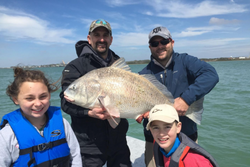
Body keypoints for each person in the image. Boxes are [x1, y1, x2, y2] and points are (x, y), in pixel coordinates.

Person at [139, 26, 219, 167]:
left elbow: (211, 75)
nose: (160, 46)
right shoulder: (143, 74)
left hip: (186, 136)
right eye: (155, 43)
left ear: (172, 42)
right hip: (154, 140)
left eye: (164, 41)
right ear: (150, 47)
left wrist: (185, 99)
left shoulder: (185, 61)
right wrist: (139, 112)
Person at [60, 19, 132, 167]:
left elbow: (130, 95)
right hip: (88, 144)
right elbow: (65, 101)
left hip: (118, 140)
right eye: (97, 35)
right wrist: (89, 113)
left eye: (105, 35)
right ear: (89, 38)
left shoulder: (118, 63)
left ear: (111, 40)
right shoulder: (75, 66)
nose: (101, 39)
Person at [0, 67, 82, 167]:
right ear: (15, 99)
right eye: (29, 98)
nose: (38, 103)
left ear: (49, 95)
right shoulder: (6, 135)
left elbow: (75, 156)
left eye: (43, 96)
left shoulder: (63, 123)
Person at [146, 104, 219, 167]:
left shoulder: (194, 160)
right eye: (156, 127)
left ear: (178, 127)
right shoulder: (160, 148)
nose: (161, 133)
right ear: (151, 130)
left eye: (167, 127)